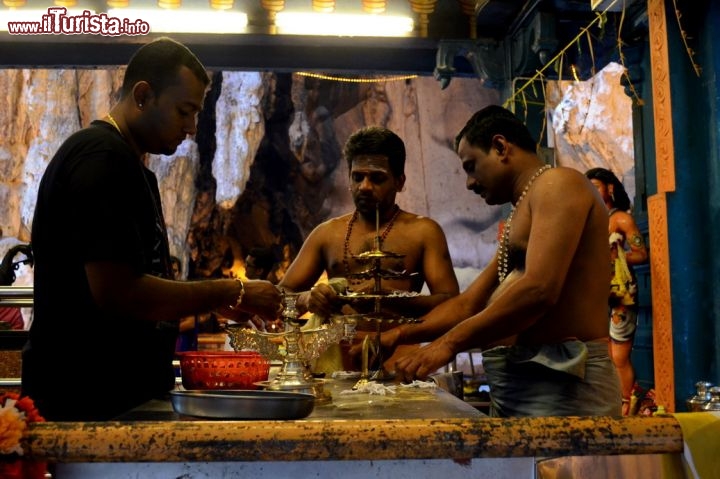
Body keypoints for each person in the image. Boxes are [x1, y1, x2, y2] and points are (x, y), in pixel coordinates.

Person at [23, 37, 281, 421]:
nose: (192, 127)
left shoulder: (128, 164)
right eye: (184, 111)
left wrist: (214, 300)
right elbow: (119, 292)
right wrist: (232, 288)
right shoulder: (101, 158)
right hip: (89, 399)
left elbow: (142, 281)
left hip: (120, 395)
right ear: (143, 95)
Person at [381, 105, 621, 417]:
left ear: (500, 146)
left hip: (563, 385)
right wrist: (401, 334)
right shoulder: (521, 210)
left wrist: (447, 345)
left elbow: (539, 290)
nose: (469, 183)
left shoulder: (558, 183)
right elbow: (469, 303)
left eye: (471, 166)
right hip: (518, 384)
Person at [278, 125, 459, 373]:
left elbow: (451, 304)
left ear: (400, 181)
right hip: (334, 359)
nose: (364, 186)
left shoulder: (424, 232)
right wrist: (308, 299)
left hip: (399, 356)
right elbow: (280, 298)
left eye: (377, 178)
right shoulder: (326, 233)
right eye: (357, 177)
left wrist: (392, 301)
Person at [585, 167, 649, 415]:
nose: (593, 191)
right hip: (596, 295)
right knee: (604, 356)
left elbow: (641, 253)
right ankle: (609, 403)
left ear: (609, 188)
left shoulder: (621, 219)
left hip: (621, 294)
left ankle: (624, 407)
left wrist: (616, 254)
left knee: (620, 357)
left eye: (596, 185)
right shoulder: (591, 220)